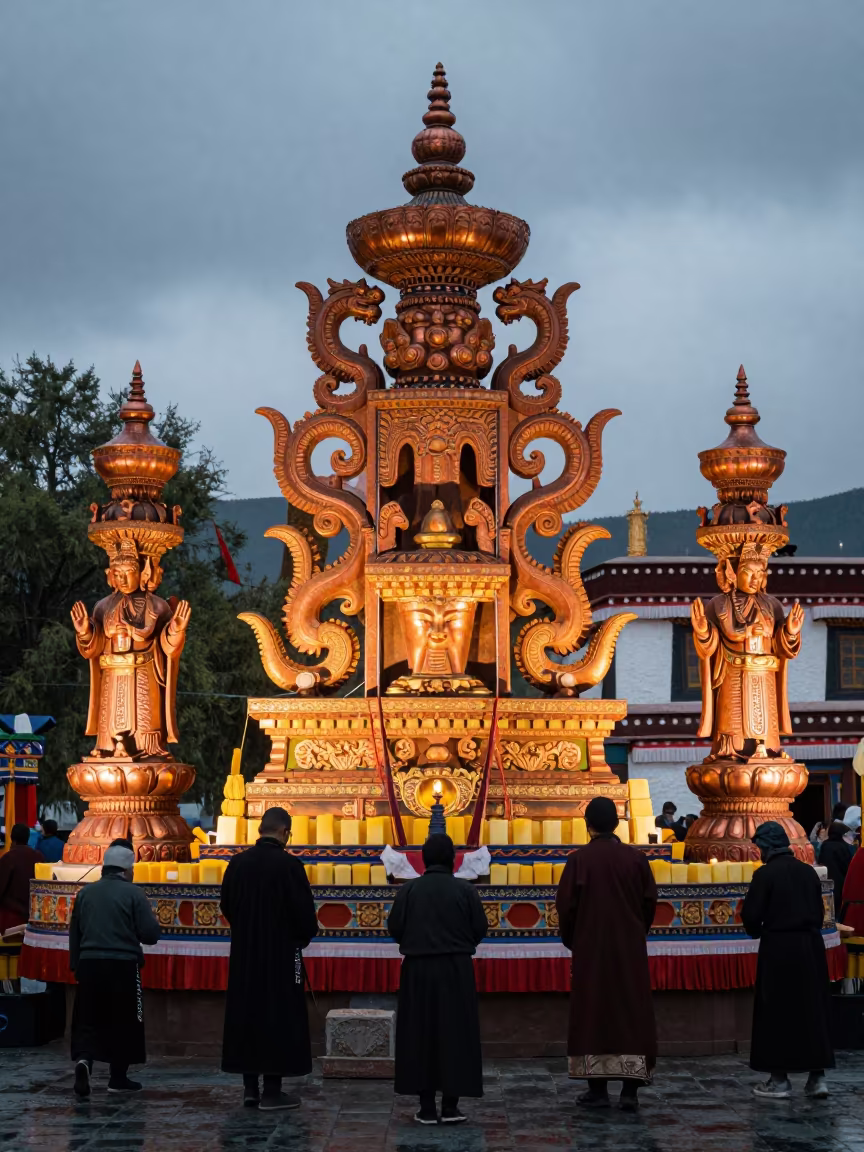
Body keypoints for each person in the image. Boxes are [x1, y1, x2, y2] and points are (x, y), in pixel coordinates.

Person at [556, 796, 657, 1111]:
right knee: (630, 1010)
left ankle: (597, 1089)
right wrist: (635, 932)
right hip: (629, 950)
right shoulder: (636, 859)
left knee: (594, 1012)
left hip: (591, 949)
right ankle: (630, 1090)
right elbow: (649, 902)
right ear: (617, 824)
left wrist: (576, 940)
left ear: (588, 826)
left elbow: (566, 907)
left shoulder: (578, 861)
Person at [221, 807, 318, 1111]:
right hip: (281, 954)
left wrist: (247, 930)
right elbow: (304, 915)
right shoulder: (290, 867)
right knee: (279, 1013)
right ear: (285, 832)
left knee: (247, 1012)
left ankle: (250, 1088)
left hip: (245, 954)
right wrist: (299, 939)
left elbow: (228, 907)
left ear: (261, 830)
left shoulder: (236, 864)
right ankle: (273, 1091)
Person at [388, 833, 488, 1125]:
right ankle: (451, 1106)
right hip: (456, 968)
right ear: (453, 860)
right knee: (455, 1033)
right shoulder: (465, 891)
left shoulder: (409, 891)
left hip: (418, 970)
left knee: (420, 1034)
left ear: (425, 860)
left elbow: (395, 928)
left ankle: (426, 1107)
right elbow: (479, 928)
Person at [742, 821, 833, 1099]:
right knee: (812, 1008)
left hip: (779, 947)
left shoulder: (765, 875)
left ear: (767, 848)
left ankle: (779, 1079)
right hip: (810, 946)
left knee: (777, 1010)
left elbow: (751, 916)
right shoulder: (808, 873)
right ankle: (817, 1079)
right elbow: (819, 914)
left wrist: (758, 930)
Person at [69, 838, 161, 1098]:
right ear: (127, 869)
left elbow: (74, 932)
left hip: (89, 963)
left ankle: (85, 1060)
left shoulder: (86, 893)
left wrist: (76, 964)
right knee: (125, 1020)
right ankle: (118, 1078)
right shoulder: (134, 893)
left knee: (88, 1017)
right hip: (123, 966)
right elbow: (150, 934)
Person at [0, 823, 45, 933]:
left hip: (11, 916)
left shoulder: (9, 858)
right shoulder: (38, 857)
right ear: (28, 837)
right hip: (34, 915)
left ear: (11, 837)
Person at [819, 823, 854, 901]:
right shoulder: (843, 846)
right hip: (840, 882)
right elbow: (847, 866)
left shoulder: (825, 845)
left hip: (826, 881)